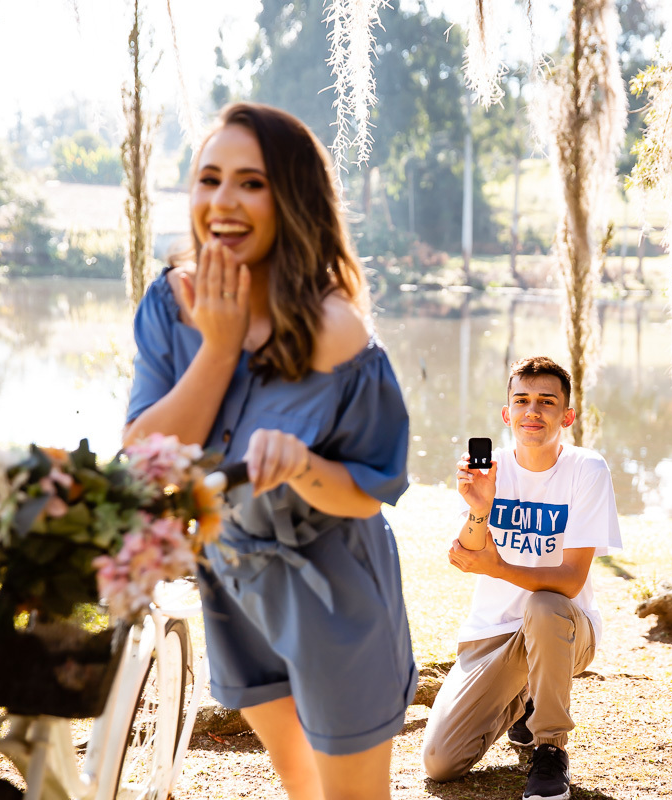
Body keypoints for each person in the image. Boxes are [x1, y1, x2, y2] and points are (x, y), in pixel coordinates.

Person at [124, 102, 415, 800]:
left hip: (332, 594)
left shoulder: (336, 332)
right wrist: (218, 350)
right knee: (299, 784)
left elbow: (369, 488)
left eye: (251, 183)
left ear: (291, 198)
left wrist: (306, 468)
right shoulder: (172, 304)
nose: (223, 201)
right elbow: (142, 458)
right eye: (209, 178)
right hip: (229, 578)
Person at [422, 356, 622, 800]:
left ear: (566, 416)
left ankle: (550, 749)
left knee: (544, 604)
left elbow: (569, 582)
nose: (533, 410)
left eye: (547, 401)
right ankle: (522, 699)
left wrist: (498, 567)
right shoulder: (489, 470)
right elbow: (467, 555)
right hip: (493, 636)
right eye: (522, 400)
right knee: (440, 763)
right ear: (506, 413)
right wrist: (479, 507)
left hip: (565, 629)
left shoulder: (587, 470)